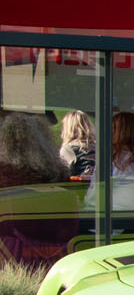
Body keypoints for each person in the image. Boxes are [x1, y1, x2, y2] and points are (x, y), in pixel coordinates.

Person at [0, 113, 77, 266]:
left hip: (11, 262)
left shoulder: (5, 177)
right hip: (58, 263)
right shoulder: (60, 177)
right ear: (45, 142)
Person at [58, 110, 96, 179]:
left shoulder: (68, 149)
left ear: (67, 128)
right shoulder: (100, 147)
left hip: (80, 187)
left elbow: (63, 175)